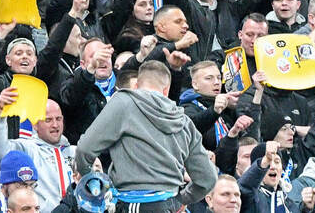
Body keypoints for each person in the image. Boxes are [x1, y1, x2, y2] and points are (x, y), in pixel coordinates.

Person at [76, 61, 217, 211]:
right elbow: (208, 179)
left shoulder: (124, 102)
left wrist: (91, 181)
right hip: (169, 204)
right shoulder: (184, 122)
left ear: (136, 85)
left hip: (135, 203)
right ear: (166, 90)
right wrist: (181, 199)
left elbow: (84, 149)